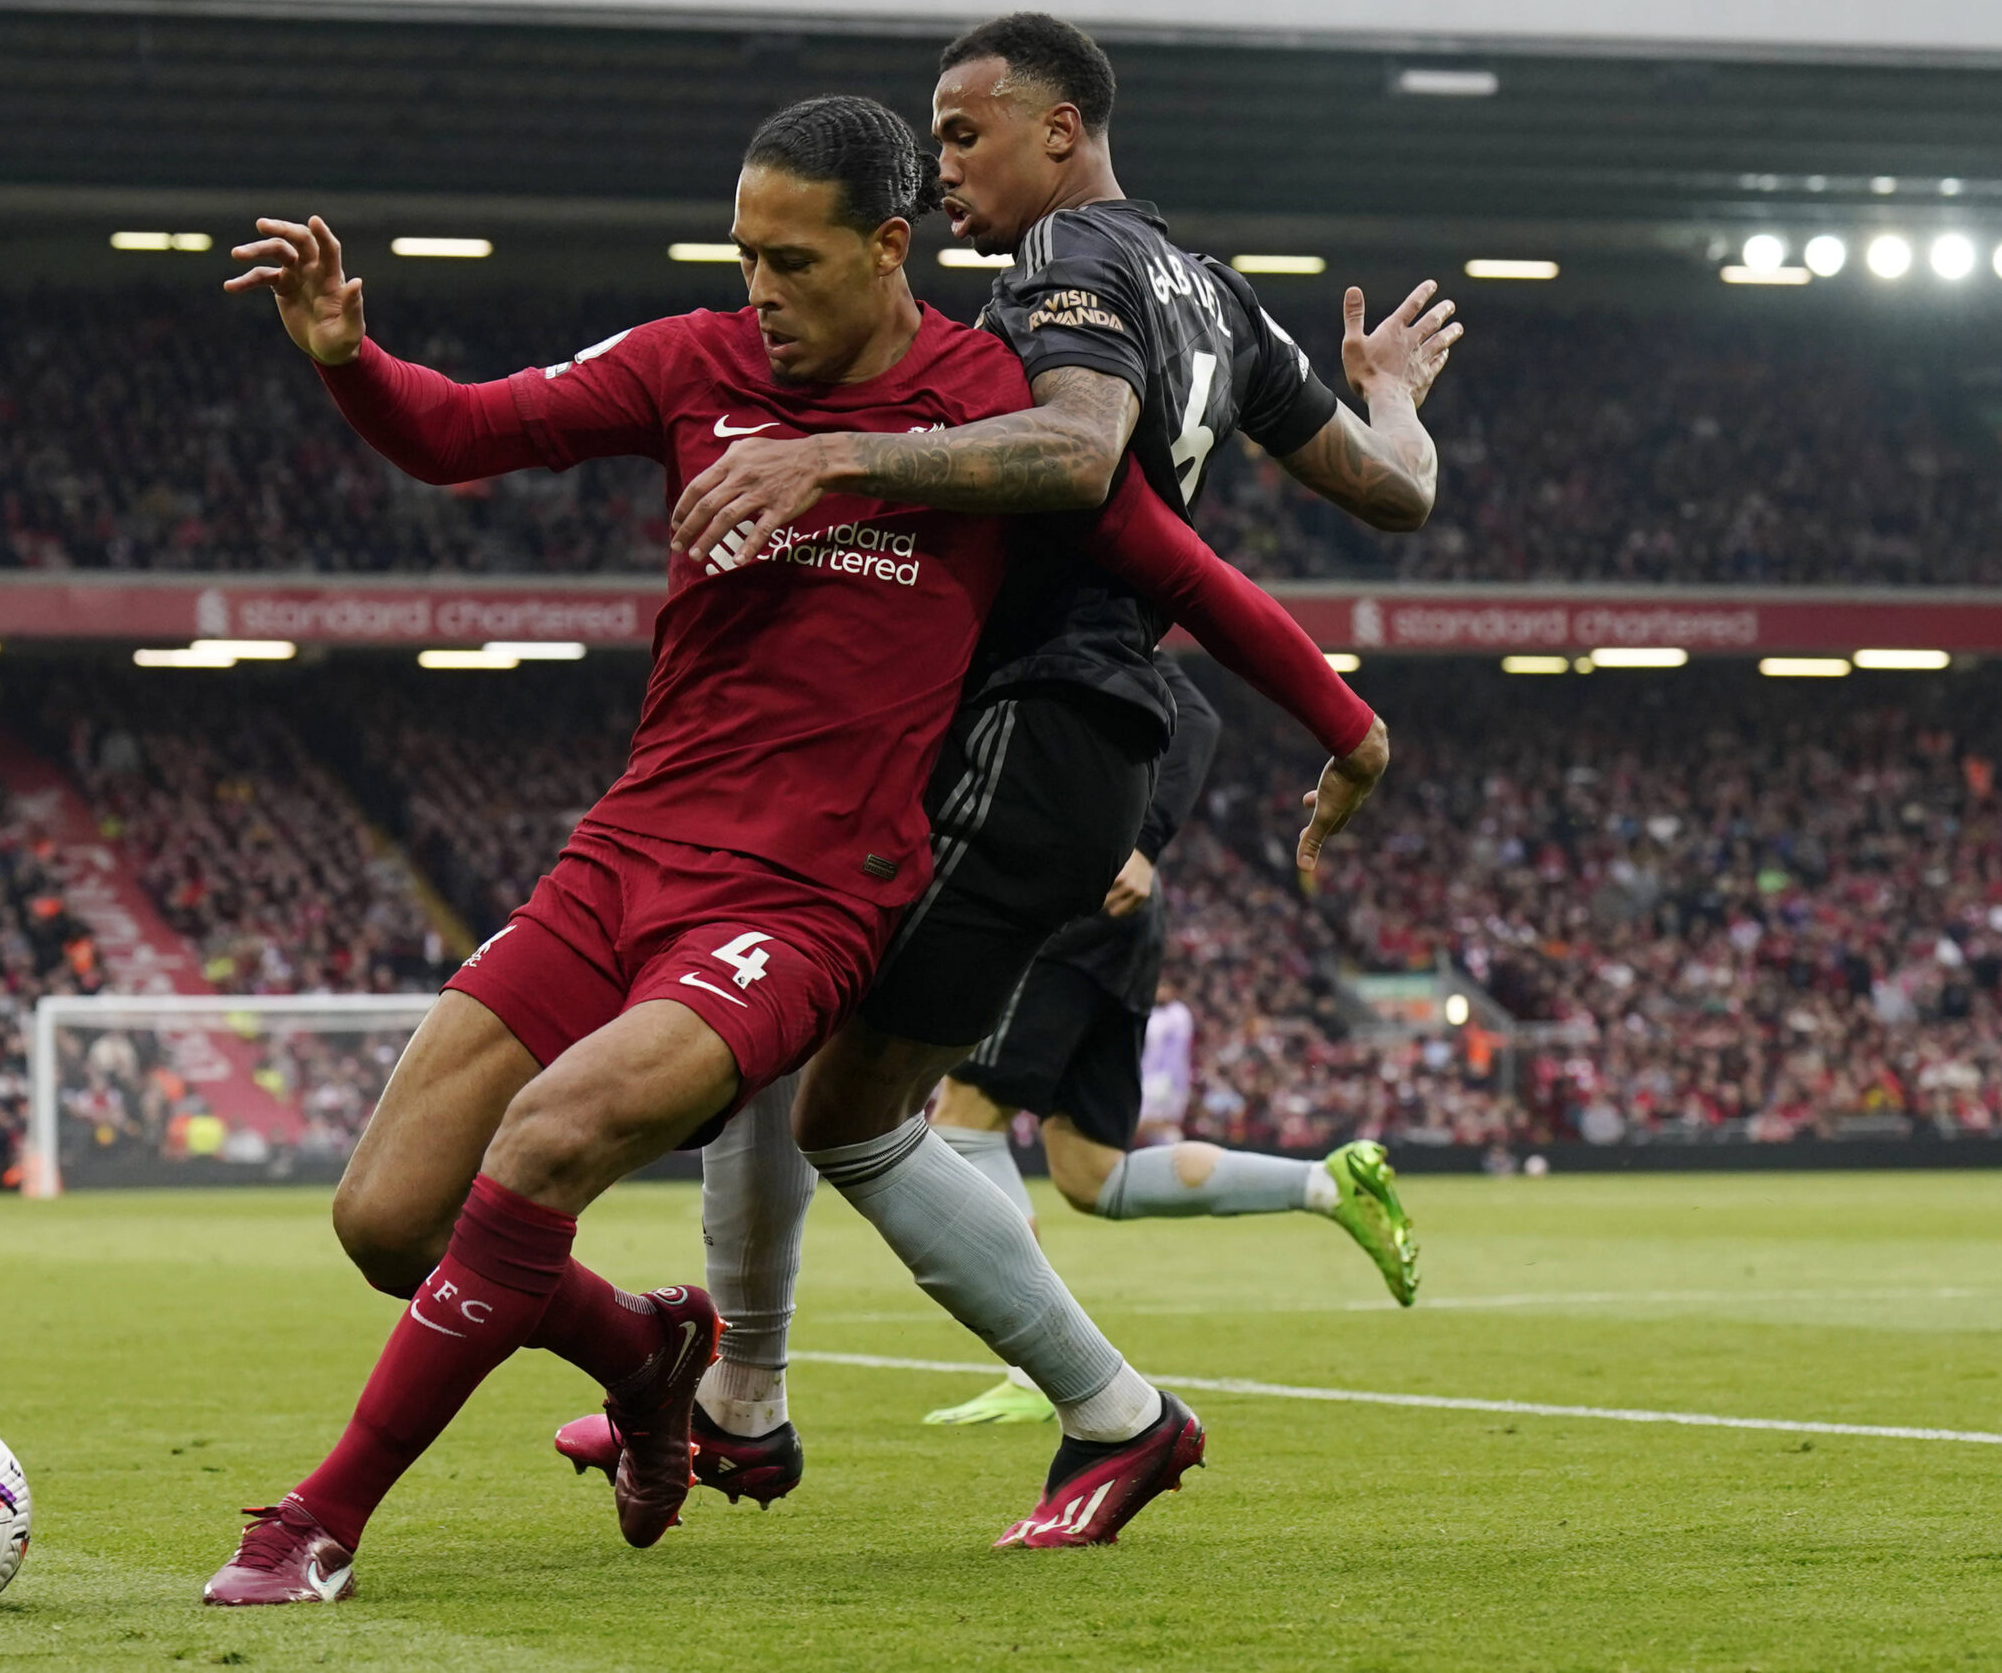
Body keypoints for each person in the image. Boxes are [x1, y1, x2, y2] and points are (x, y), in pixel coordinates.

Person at [201, 95, 1386, 1606]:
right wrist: (347, 359)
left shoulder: (997, 410)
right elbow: (460, 431)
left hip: (807, 898)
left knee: (554, 1138)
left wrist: (1350, 727)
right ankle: (654, 1354)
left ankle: (319, 1516)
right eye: (744, 254)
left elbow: (1192, 575)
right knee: (383, 1219)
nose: (759, 291)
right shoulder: (692, 362)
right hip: (621, 858)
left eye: (794, 262)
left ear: (891, 248)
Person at [573, 14, 1453, 1523]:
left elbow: (1071, 453)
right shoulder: (1216, 295)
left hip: (1036, 718)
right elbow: (1395, 496)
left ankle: (1106, 1411)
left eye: (962, 130)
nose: (940, 162)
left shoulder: (1066, 265)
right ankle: (745, 1397)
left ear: (1061, 130)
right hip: (1076, 733)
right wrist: (1393, 398)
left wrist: (829, 458)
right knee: (773, 1034)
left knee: (835, 1098)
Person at [917, 651, 1415, 1429]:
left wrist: (1143, 842)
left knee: (962, 1120)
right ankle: (1327, 1183)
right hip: (1111, 916)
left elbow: (1200, 717)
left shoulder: (1055, 610)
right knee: (1092, 1173)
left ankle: (1033, 1364)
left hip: (1065, 901)